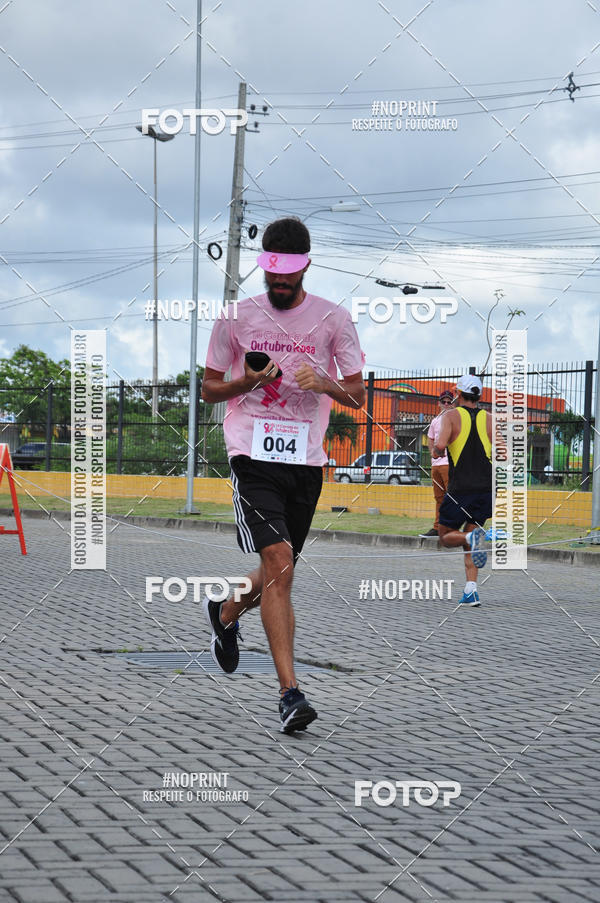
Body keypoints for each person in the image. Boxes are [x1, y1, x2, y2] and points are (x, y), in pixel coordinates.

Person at [201, 217, 365, 732]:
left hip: (306, 462)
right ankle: (290, 694)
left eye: (288, 275)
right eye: (272, 274)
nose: (279, 282)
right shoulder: (236, 316)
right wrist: (246, 382)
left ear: (305, 267)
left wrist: (325, 383)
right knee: (277, 561)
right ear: (264, 266)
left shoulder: (335, 319)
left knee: (282, 569)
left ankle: (225, 613)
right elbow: (208, 388)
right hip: (252, 455)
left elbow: (358, 395)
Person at [433, 374, 492, 607]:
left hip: (461, 489)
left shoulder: (450, 416)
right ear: (479, 395)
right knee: (472, 542)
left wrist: (437, 452)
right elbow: (504, 452)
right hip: (486, 489)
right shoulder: (490, 418)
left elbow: (440, 446)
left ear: (458, 394)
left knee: (445, 536)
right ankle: (471, 591)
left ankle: (470, 537)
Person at [419, 389, 454, 537]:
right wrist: (432, 454)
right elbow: (430, 438)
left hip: (448, 464)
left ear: (453, 404)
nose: (446, 404)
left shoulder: (455, 419)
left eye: (449, 402)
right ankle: (437, 527)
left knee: (451, 496)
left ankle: (451, 527)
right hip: (436, 465)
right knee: (439, 497)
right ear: (439, 403)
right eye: (443, 402)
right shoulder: (435, 421)